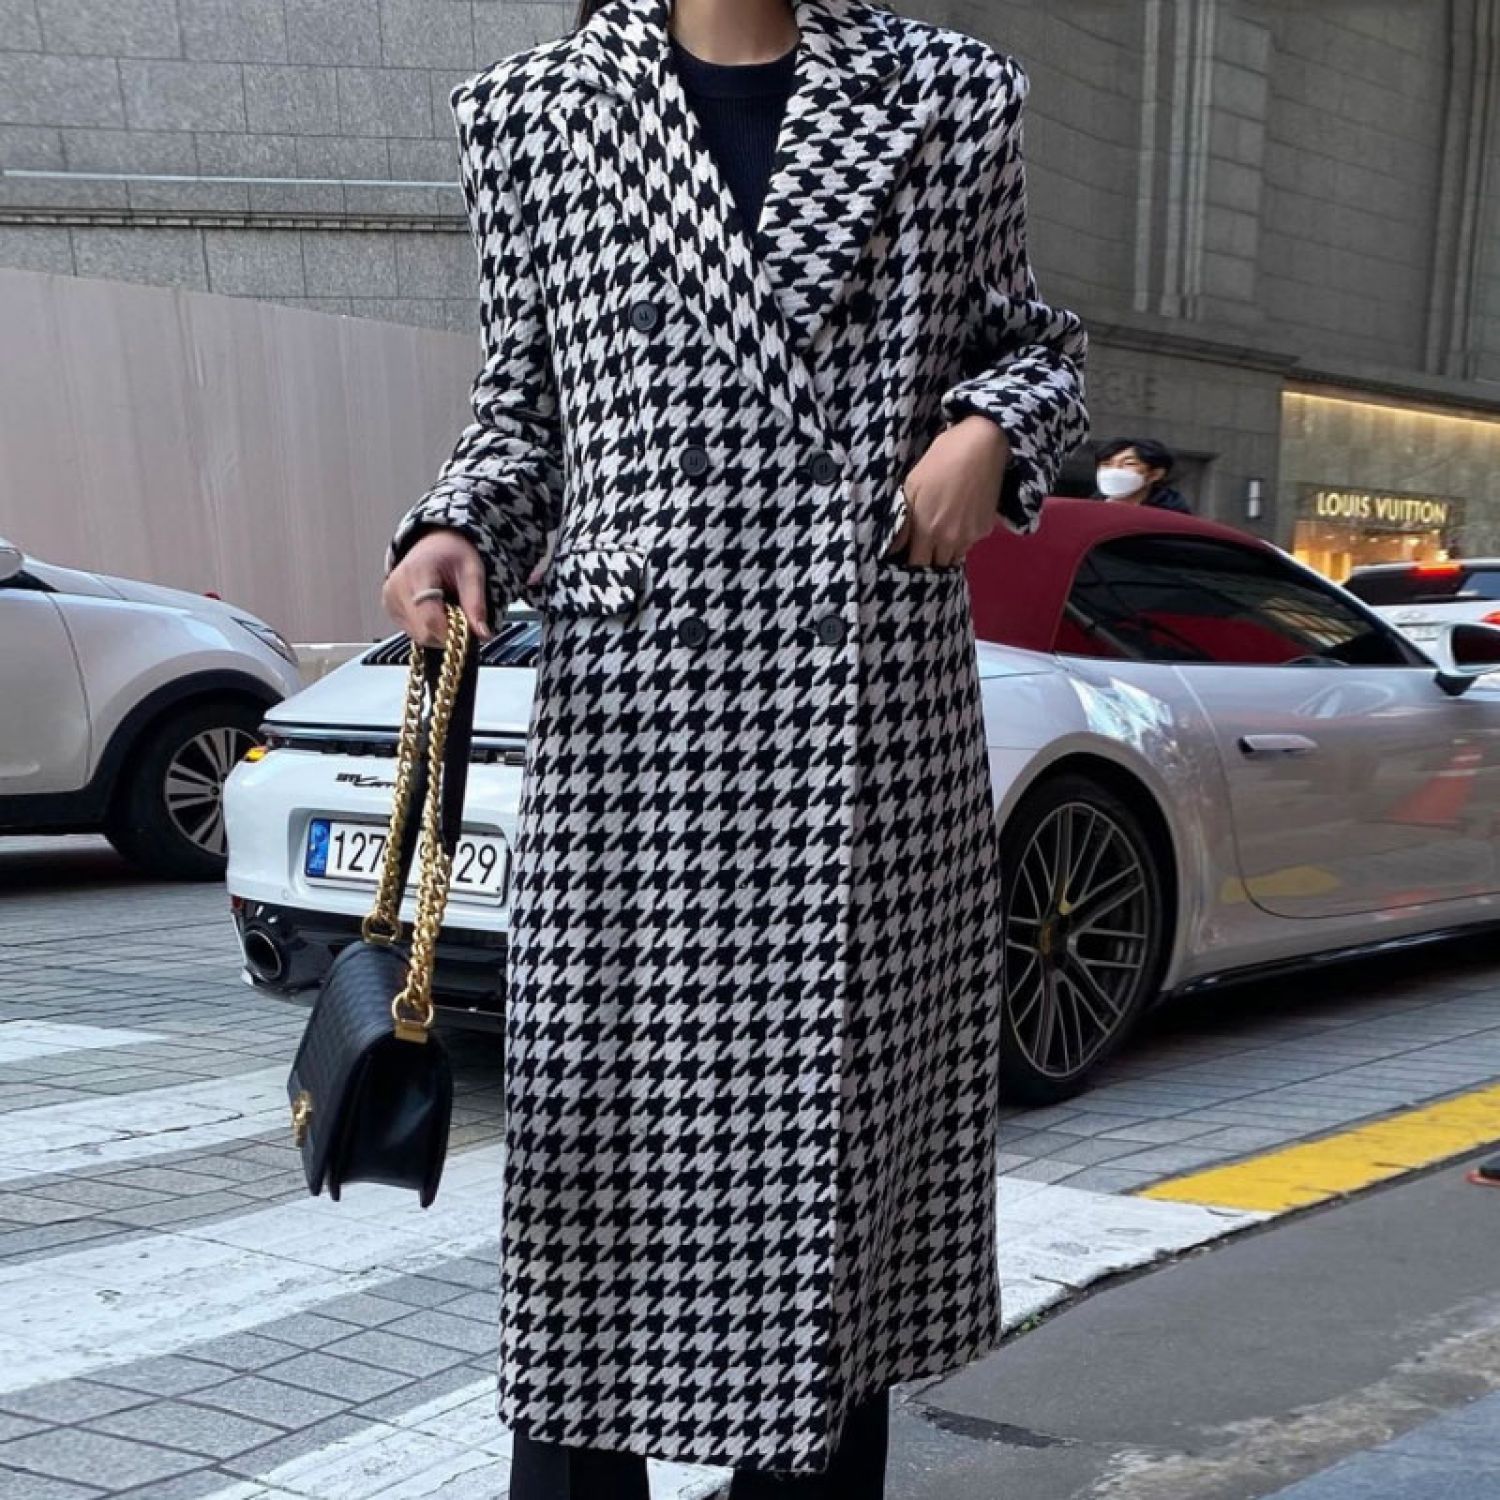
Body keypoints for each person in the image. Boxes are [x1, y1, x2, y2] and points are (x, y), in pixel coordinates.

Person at [381, 0, 1088, 1495]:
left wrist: (985, 432)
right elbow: (522, 409)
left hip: (863, 723)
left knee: (827, 1217)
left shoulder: (949, 94)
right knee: (597, 1209)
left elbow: (1031, 348)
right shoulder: (533, 111)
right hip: (637, 737)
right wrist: (454, 526)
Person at [1093, 436, 1193, 513]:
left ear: (1155, 474)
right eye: (1106, 464)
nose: (1114, 470)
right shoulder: (1090, 510)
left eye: (1129, 463)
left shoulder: (1173, 518)